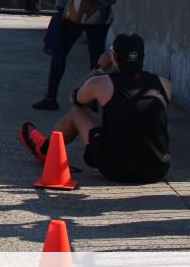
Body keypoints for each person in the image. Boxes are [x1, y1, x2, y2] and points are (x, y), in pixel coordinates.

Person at [20, 33, 174, 184]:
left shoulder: (102, 83)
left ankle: (44, 150)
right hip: (157, 170)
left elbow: (75, 97)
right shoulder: (164, 84)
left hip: (117, 170)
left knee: (76, 112)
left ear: (114, 57)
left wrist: (99, 68)